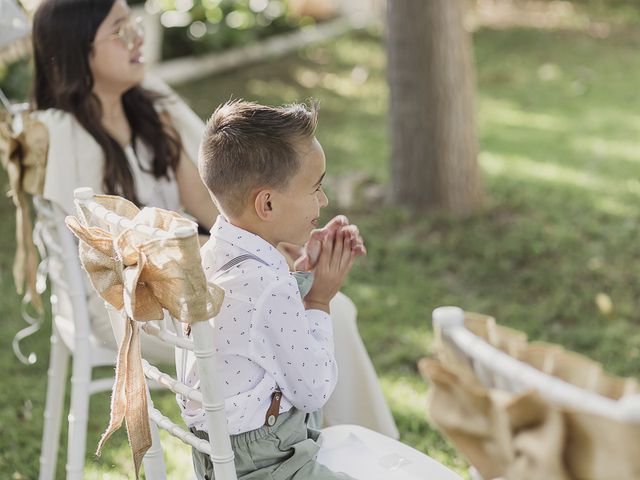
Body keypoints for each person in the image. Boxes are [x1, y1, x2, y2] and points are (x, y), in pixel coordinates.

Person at [29, 0, 398, 438]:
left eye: (134, 24)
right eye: (119, 31)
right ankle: (352, 449)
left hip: (201, 282)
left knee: (325, 308)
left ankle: (350, 446)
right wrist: (263, 268)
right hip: (133, 306)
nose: (138, 38)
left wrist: (282, 247)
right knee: (318, 315)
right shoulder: (66, 139)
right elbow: (119, 265)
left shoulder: (152, 111)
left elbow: (220, 209)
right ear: (77, 51)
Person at [182, 99, 357, 480]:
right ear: (267, 203)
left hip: (217, 456)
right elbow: (314, 391)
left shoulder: (209, 256)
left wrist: (301, 273)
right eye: (316, 187)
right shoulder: (268, 287)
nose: (323, 200)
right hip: (268, 463)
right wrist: (319, 299)